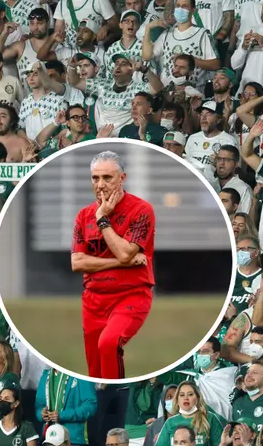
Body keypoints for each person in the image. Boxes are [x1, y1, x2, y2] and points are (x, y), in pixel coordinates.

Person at [71, 151, 155, 379]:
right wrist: (121, 262)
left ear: (122, 178)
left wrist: (102, 218)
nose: (100, 185)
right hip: (93, 300)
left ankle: (117, 400)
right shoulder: (82, 216)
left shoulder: (141, 210)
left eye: (107, 178)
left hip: (131, 294)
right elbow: (77, 262)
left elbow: (126, 252)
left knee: (108, 344)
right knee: (95, 370)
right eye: (95, 178)